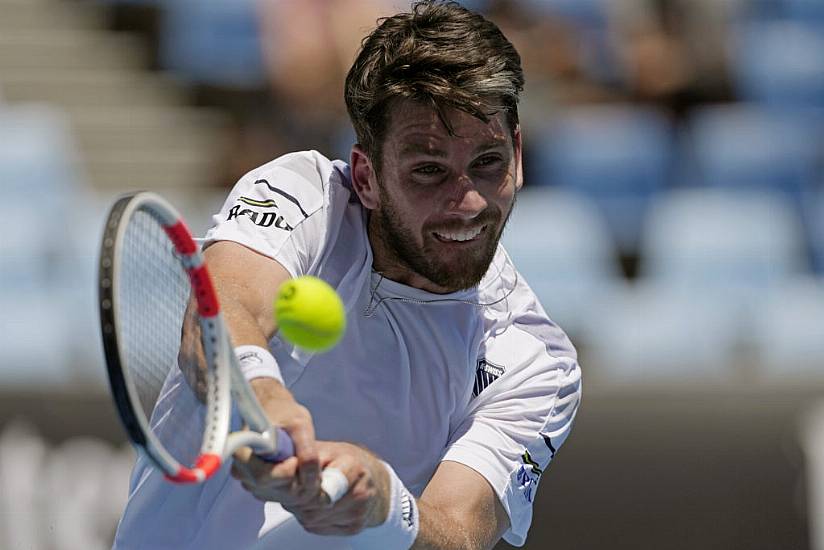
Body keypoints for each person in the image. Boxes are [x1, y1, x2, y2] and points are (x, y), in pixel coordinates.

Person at [113, 2, 582, 548]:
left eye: (488, 162)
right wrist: (266, 399)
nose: (468, 201)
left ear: (518, 154)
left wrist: (385, 500)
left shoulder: (535, 362)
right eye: (428, 170)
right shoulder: (303, 194)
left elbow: (461, 532)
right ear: (366, 177)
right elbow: (217, 317)